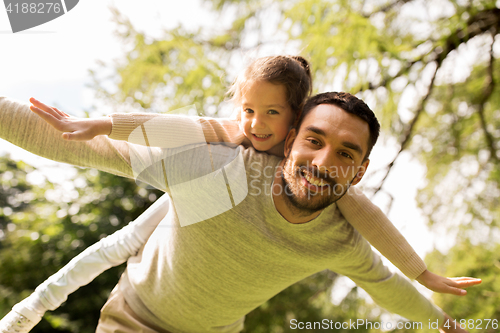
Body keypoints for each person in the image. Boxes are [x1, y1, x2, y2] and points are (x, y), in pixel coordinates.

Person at [0, 56, 479, 332]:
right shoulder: (219, 168)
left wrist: (444, 322)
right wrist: (89, 123)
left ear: (360, 171)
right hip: (137, 320)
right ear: (292, 140)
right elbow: (94, 148)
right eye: (314, 141)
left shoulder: (341, 236)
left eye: (345, 154)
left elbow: (390, 288)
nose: (323, 162)